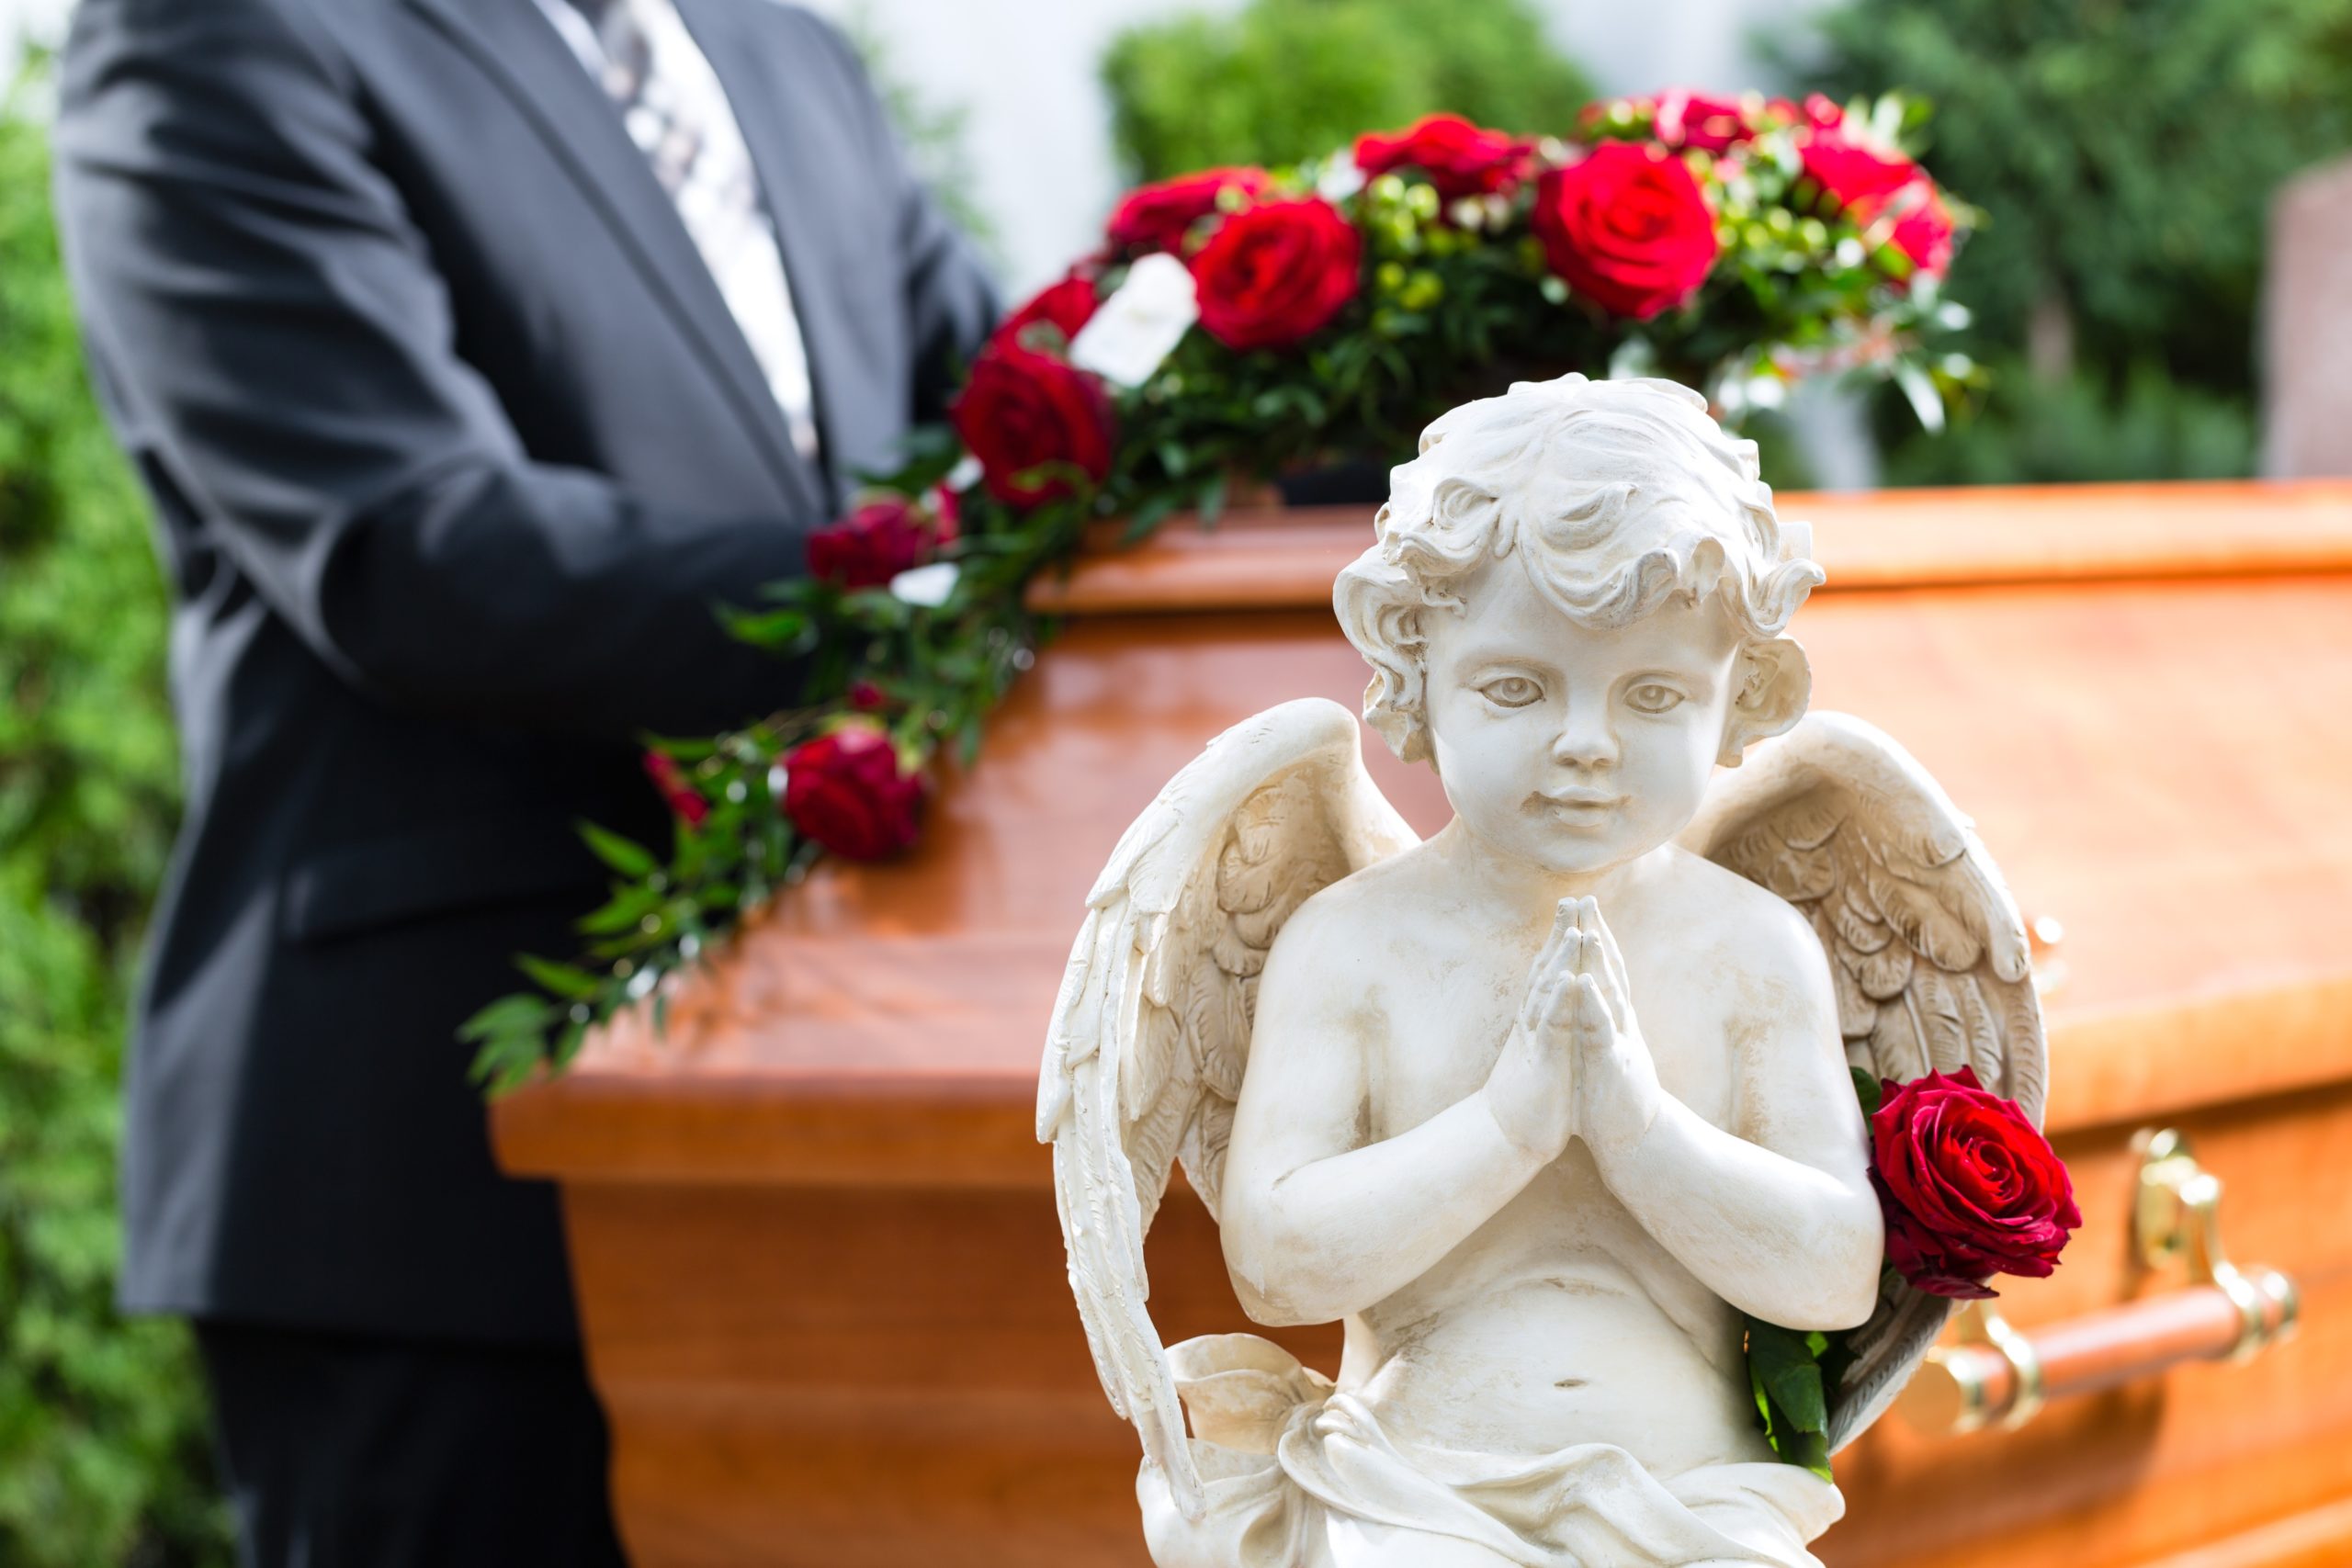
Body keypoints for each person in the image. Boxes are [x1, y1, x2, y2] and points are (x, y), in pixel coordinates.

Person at [51, 0, 997, 1560]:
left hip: (849, 1145)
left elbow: (1027, 433)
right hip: (440, 1172)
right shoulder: (218, 32)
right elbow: (411, 546)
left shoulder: (784, 51)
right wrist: (916, 594)